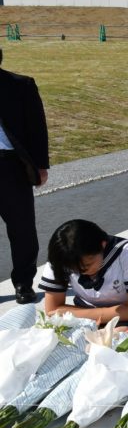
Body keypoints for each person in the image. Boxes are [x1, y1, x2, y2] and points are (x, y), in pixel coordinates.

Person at [40, 219, 128, 336]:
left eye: (86, 266)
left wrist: (74, 314)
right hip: (92, 309)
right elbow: (52, 310)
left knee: (115, 340)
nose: (81, 273)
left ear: (103, 244)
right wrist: (97, 316)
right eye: (74, 270)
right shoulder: (60, 259)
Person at [0, 47, 49, 304]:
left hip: (11, 166)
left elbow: (37, 128)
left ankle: (23, 283)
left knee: (22, 229)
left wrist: (41, 166)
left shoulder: (20, 85)